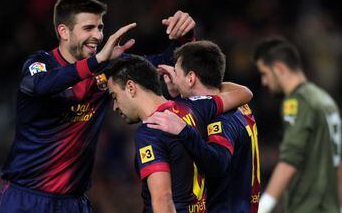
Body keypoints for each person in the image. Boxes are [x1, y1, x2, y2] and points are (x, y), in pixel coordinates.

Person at [0, 0, 196, 213]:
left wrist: (185, 36)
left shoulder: (107, 67)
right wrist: (97, 61)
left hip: (73, 202)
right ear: (64, 31)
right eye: (88, 28)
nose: (98, 36)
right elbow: (39, 86)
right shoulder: (41, 64)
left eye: (100, 27)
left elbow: (165, 63)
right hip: (26, 199)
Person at [106, 54, 253, 212]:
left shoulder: (150, 131)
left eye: (115, 96)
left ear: (130, 87)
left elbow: (163, 199)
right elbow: (244, 93)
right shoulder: (195, 106)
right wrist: (182, 85)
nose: (114, 106)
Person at [143, 40, 261, 213]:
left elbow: (218, 163)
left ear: (191, 78)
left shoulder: (219, 118)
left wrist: (184, 131)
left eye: (176, 72)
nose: (173, 78)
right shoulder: (240, 103)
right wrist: (179, 92)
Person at [253, 38, 342, 213]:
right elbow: (341, 168)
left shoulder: (298, 102)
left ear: (279, 68)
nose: (264, 82)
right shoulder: (326, 100)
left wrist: (261, 209)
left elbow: (289, 161)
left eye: (264, 73)